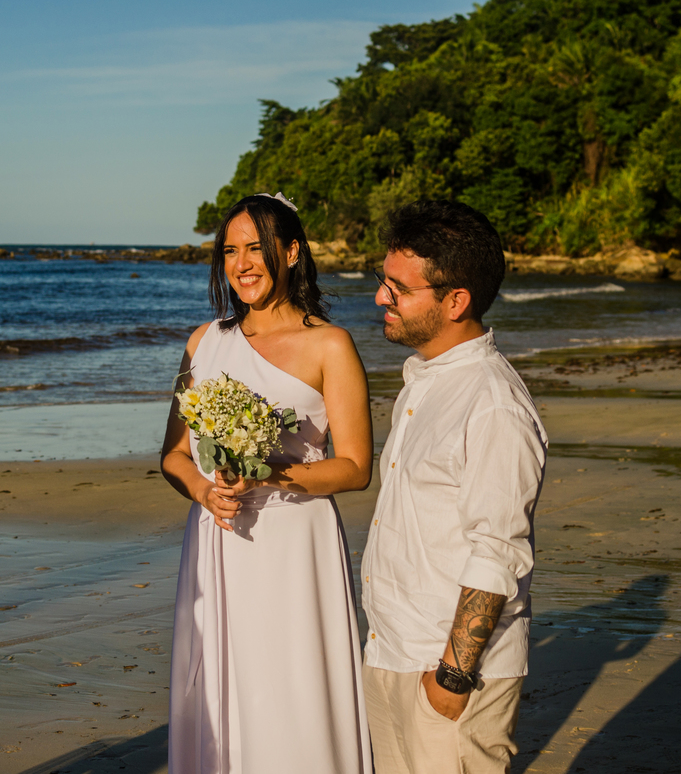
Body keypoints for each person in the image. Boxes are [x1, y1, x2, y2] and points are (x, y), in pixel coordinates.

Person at [161, 194, 374, 773]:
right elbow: (175, 455)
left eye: (256, 247)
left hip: (293, 540)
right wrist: (204, 491)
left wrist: (268, 473)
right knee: (221, 688)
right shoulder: (203, 342)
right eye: (230, 250)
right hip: (217, 536)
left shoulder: (330, 345)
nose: (241, 263)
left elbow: (355, 466)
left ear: (292, 252)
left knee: (292, 689)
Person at [360, 200, 547, 774]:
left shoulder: (492, 405)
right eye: (382, 281)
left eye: (399, 288)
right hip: (393, 649)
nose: (380, 298)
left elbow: (498, 552)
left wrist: (452, 677)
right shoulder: (426, 381)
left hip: (450, 673)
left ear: (455, 301)